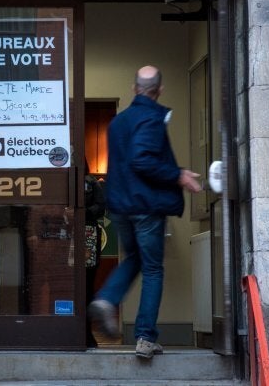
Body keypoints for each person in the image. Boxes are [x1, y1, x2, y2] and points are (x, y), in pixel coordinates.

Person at [88, 65, 202, 359]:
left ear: (134, 88)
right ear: (159, 90)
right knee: (152, 268)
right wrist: (178, 175)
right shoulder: (152, 118)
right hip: (145, 206)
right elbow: (142, 160)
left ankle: (106, 298)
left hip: (121, 207)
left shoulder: (118, 122)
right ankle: (144, 337)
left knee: (135, 258)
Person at [83, 160, 106, 347]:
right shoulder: (64, 181)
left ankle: (86, 332)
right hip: (66, 238)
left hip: (87, 235)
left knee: (87, 285)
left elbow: (101, 207)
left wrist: (80, 212)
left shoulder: (92, 182)